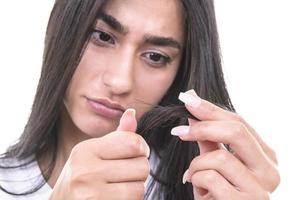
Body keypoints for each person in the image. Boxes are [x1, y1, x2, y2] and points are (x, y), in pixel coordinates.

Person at [0, 0, 280, 199]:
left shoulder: (206, 186)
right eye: (102, 36)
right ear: (62, 29)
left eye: (155, 57)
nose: (121, 81)